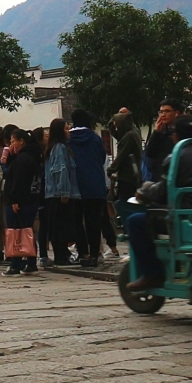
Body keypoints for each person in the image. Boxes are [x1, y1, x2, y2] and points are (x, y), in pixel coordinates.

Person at [68, 110, 111, 268]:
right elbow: (101, 158)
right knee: (94, 221)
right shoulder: (95, 138)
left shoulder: (68, 139)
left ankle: (82, 253)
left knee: (77, 221)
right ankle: (94, 254)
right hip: (95, 185)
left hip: (75, 185)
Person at [1, 127, 43, 277]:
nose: (12, 145)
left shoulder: (24, 158)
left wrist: (14, 199)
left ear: (21, 141)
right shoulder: (33, 155)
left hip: (20, 201)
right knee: (27, 231)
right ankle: (31, 262)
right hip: (31, 199)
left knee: (16, 232)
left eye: (14, 141)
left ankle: (15, 265)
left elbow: (18, 181)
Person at [41, 119, 79, 266]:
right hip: (59, 193)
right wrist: (64, 191)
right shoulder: (60, 148)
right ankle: (61, 256)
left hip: (53, 193)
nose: (69, 132)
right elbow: (61, 169)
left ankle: (61, 256)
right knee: (61, 227)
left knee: (57, 226)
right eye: (66, 129)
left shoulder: (52, 148)